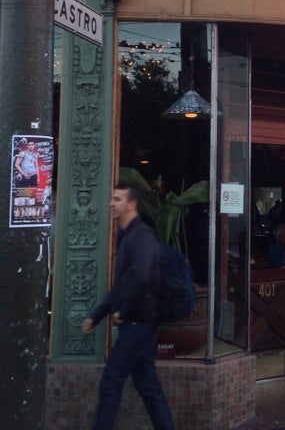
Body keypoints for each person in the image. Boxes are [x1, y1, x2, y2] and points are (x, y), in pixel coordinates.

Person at [81, 182, 174, 430]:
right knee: (147, 385)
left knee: (111, 382)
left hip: (138, 323)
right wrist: (108, 311)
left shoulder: (141, 236)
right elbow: (129, 280)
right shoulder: (129, 236)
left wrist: (112, 310)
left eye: (117, 199)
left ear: (132, 204)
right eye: (112, 199)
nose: (111, 203)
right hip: (137, 322)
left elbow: (139, 277)